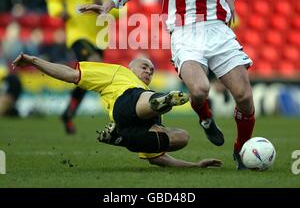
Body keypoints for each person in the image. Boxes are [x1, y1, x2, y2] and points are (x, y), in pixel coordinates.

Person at [79, 0, 255, 170]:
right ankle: (205, 118)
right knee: (199, 90)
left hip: (218, 30)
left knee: (244, 96)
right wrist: (109, 4)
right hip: (185, 32)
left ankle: (241, 150)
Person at [13, 53, 222, 168]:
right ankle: (164, 99)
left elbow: (158, 158)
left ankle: (120, 137)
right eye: (144, 66)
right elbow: (71, 74)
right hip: (125, 104)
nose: (149, 70)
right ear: (130, 68)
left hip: (134, 131)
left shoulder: (147, 94)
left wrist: (195, 166)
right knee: (147, 97)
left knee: (182, 137)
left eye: (151, 69)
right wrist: (34, 61)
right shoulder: (117, 73)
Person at [46, 0, 120, 134]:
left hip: (100, 38)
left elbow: (120, 12)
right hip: (77, 35)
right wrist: (58, 12)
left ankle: (68, 113)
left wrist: (104, 5)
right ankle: (117, 115)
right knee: (94, 65)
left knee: (88, 78)